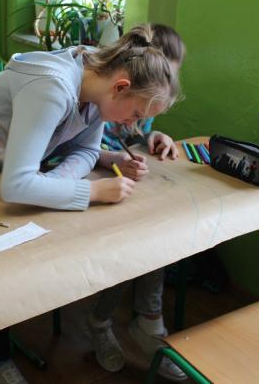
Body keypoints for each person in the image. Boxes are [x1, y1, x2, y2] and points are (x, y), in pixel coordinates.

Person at [0, 23, 180, 384]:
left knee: (30, 213)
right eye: (136, 115)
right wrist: (90, 192)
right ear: (121, 87)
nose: (133, 126)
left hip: (13, 156)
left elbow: (87, 151)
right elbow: (16, 186)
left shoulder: (99, 83)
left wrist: (52, 186)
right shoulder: (52, 87)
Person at [87, 23, 187, 382]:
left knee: (157, 236)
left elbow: (136, 132)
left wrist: (154, 135)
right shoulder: (96, 94)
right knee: (131, 246)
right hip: (89, 183)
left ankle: (148, 321)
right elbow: (78, 148)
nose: (166, 86)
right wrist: (112, 158)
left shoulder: (146, 94)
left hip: (121, 184)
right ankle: (102, 321)